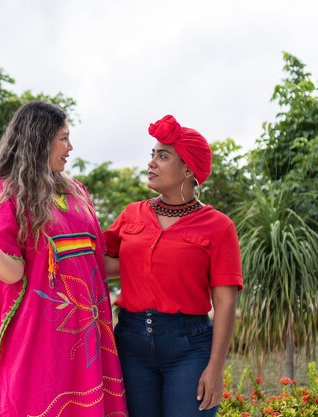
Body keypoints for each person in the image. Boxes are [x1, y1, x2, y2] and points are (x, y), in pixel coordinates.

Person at [0, 101, 128, 417]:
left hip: (90, 338)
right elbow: (12, 274)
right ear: (40, 141)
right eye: (63, 138)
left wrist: (165, 254)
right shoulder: (3, 193)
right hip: (42, 339)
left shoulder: (78, 193)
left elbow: (97, 264)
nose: (70, 147)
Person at [103, 115, 243, 417]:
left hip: (189, 348)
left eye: (163, 156)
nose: (152, 162)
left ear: (188, 170)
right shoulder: (132, 214)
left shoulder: (219, 227)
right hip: (131, 343)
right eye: (152, 155)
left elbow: (225, 300)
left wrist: (216, 368)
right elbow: (104, 265)